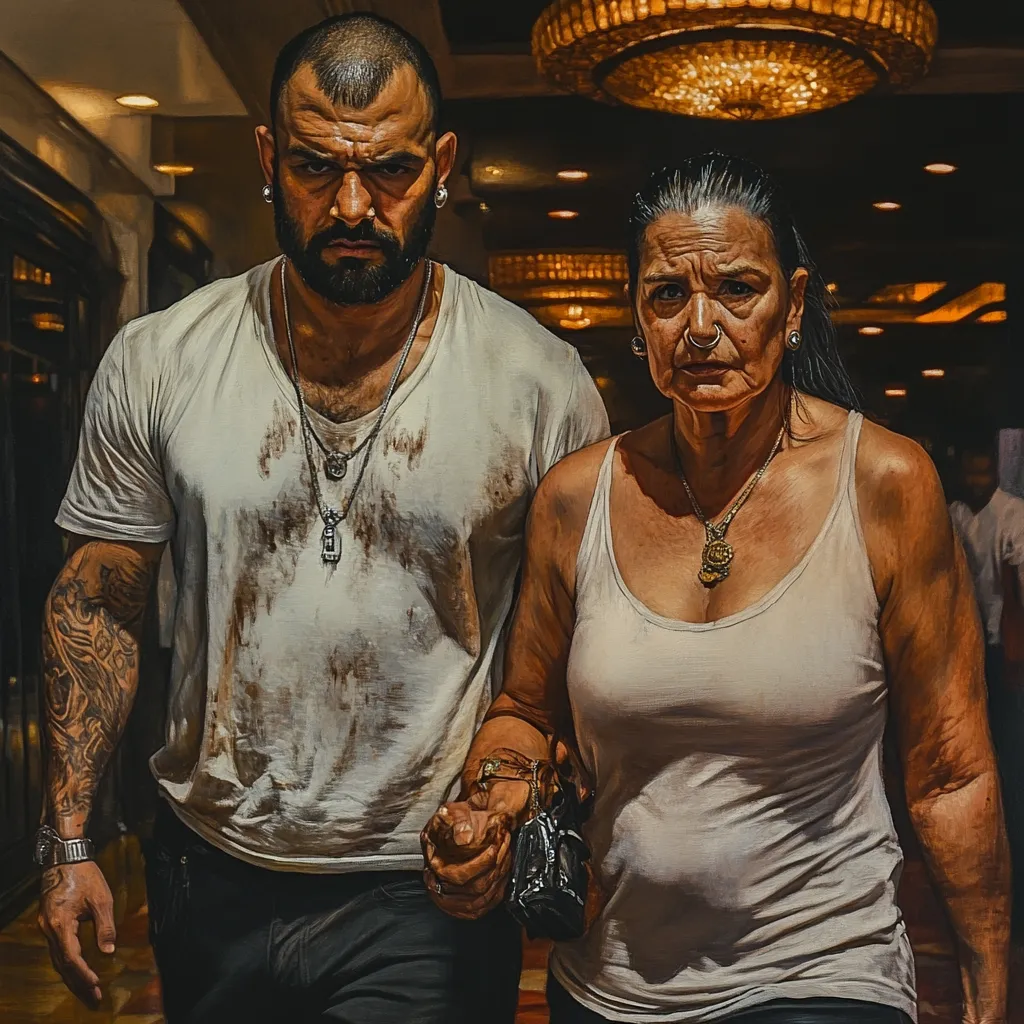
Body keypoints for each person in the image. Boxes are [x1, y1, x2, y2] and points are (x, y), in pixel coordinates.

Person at [36, 13, 608, 1023]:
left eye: (390, 172)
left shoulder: (537, 382)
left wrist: (513, 807)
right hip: (209, 868)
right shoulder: (161, 358)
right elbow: (98, 605)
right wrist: (70, 838)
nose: (352, 205)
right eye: (314, 168)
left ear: (441, 166)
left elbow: (572, 647)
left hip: (426, 886)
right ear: (269, 159)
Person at [423, 154, 1010, 1024]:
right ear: (638, 316)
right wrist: (495, 796)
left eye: (738, 290)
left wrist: (989, 995)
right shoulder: (578, 498)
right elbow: (525, 710)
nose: (701, 326)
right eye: (668, 295)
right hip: (610, 983)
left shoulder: (885, 483)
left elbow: (950, 775)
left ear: (793, 305)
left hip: (823, 972)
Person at [949, 435, 1024, 935]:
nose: (977, 481)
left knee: (1009, 755)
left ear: (995, 472)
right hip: (967, 647)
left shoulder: (1013, 514)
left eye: (984, 473)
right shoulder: (956, 514)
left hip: (1006, 649)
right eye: (970, 473)